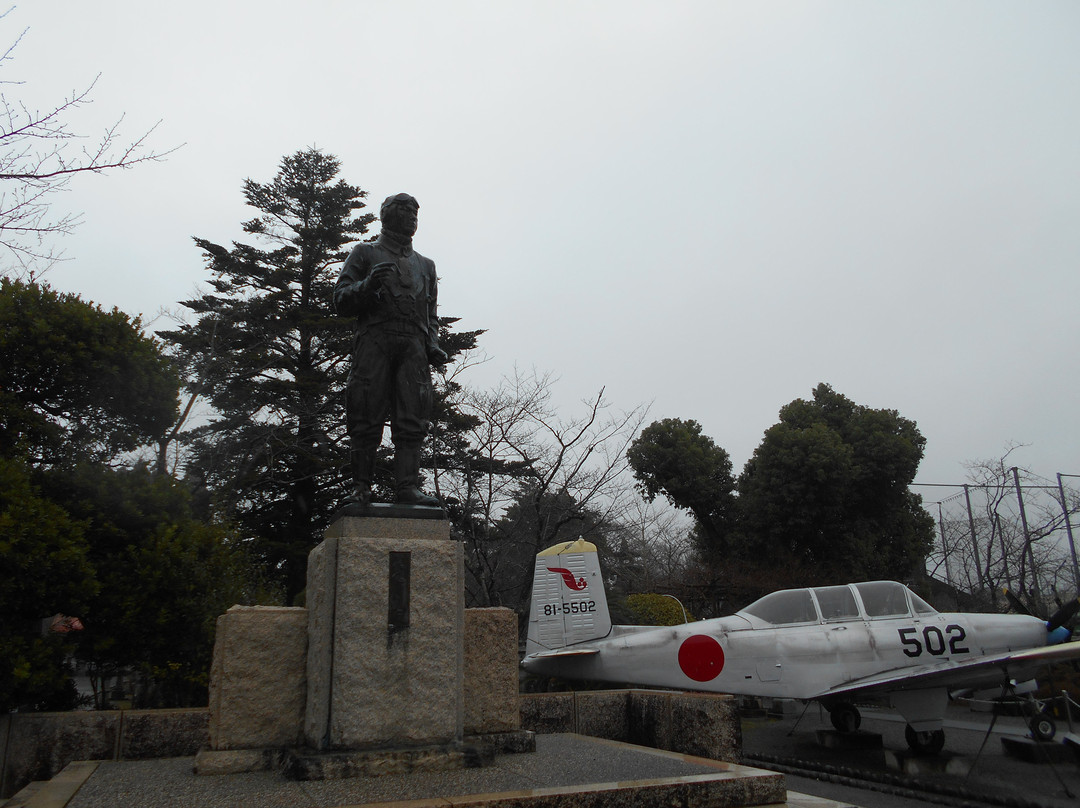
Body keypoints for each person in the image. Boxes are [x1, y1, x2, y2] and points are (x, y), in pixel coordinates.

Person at [334, 193, 446, 507]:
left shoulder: (425, 265)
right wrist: (368, 285)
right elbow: (340, 299)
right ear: (388, 216)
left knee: (413, 418)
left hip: (413, 347)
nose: (412, 218)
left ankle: (407, 487)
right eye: (406, 212)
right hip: (375, 340)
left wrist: (433, 345)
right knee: (365, 411)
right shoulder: (365, 253)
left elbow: (431, 315)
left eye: (415, 214)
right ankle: (361, 487)